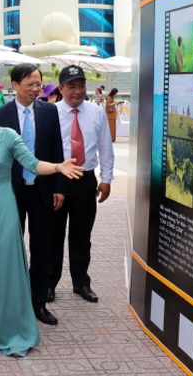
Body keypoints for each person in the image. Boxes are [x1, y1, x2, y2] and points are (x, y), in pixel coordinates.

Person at [0, 86, 81, 356]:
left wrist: (58, 167)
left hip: (3, 210)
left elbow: (32, 164)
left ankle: (9, 327)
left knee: (4, 267)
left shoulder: (8, 136)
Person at [0, 64, 66, 326]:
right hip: (9, 191)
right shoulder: (0, 114)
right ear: (14, 85)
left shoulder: (49, 111)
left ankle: (38, 303)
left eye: (39, 83)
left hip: (43, 190)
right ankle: (10, 302)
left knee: (42, 248)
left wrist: (58, 187)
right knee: (9, 247)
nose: (36, 88)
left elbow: (56, 148)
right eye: (30, 84)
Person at [50, 65, 114, 303]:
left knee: (81, 234)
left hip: (86, 179)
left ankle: (81, 282)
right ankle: (49, 283)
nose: (77, 91)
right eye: (71, 86)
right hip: (57, 179)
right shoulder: (51, 112)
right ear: (61, 88)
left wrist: (106, 179)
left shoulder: (96, 112)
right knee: (53, 235)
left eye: (81, 86)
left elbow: (105, 147)